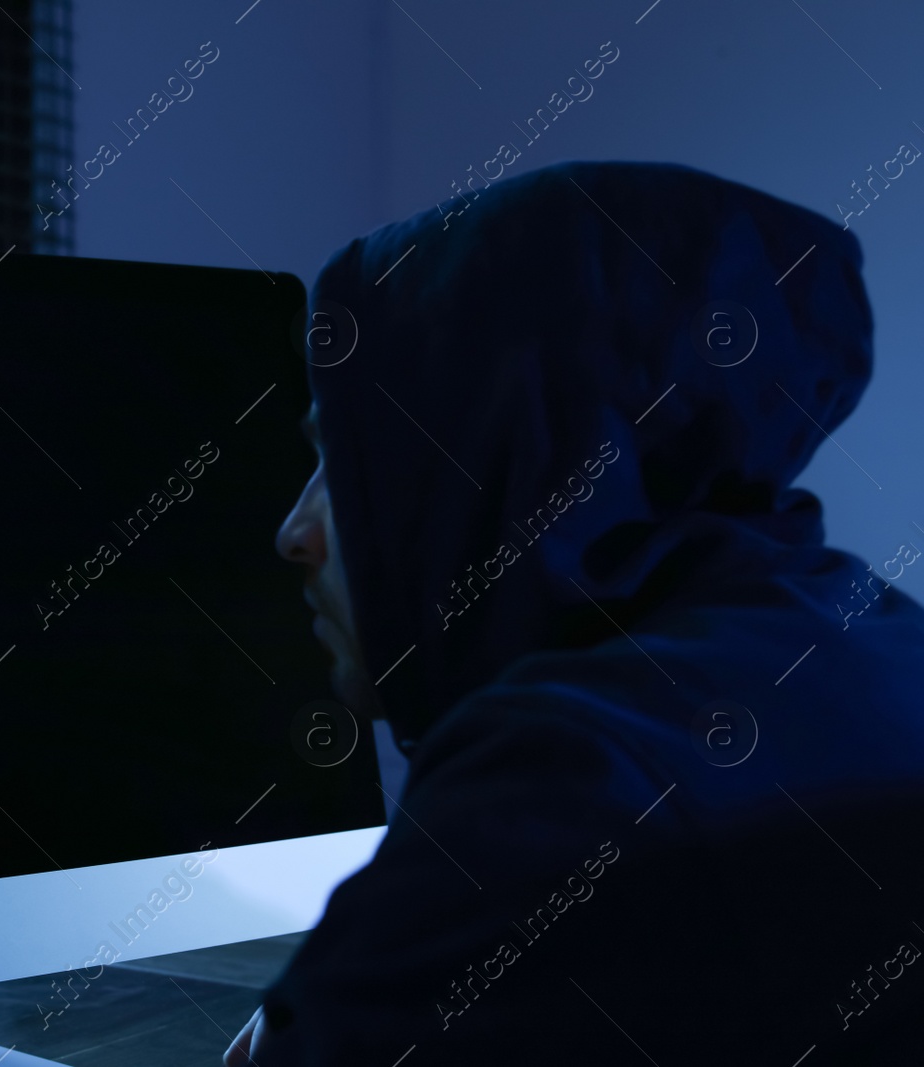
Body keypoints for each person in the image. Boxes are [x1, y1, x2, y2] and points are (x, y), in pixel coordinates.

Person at [227, 160, 924, 1063]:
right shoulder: (887, 643)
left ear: (496, 455)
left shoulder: (555, 780)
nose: (296, 531)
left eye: (348, 460)